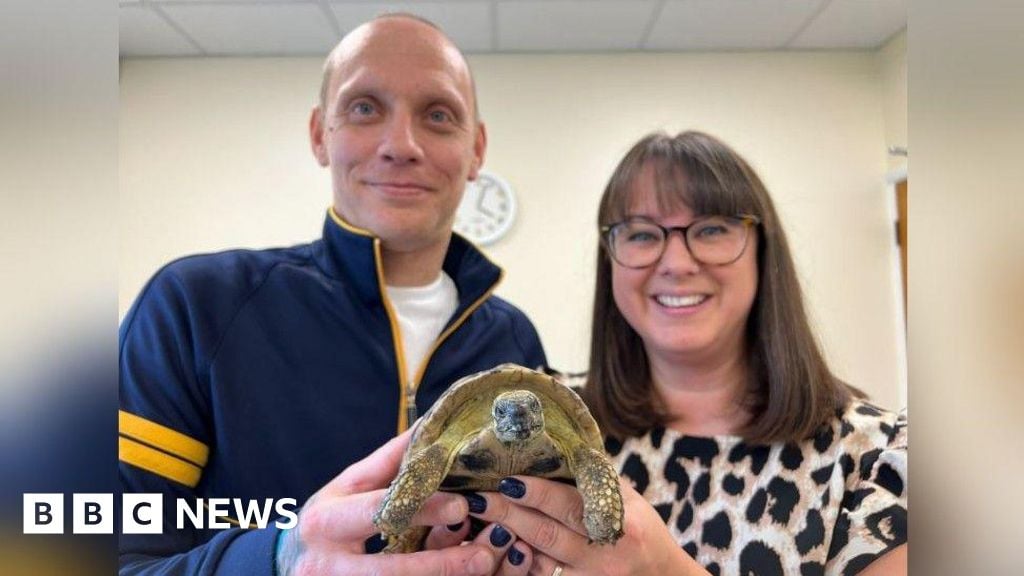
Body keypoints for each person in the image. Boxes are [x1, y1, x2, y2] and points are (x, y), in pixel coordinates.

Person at [118, 14, 545, 575]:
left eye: (438, 116)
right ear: (320, 133)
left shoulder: (516, 342)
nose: (401, 145)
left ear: (477, 151)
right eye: (365, 108)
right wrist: (278, 559)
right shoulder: (193, 309)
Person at [467, 131, 907, 575]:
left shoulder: (879, 459)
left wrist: (661, 569)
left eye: (712, 229)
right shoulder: (540, 424)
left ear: (762, 250)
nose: (676, 263)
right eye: (641, 234)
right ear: (611, 261)